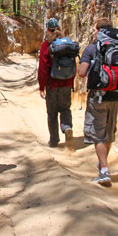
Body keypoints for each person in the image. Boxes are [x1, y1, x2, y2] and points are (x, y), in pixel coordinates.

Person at [77, 18, 118, 187]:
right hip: (117, 96)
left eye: (95, 30)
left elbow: (81, 73)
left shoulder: (92, 48)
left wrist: (82, 64)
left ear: (98, 30)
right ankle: (103, 165)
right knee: (108, 132)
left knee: (98, 133)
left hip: (98, 96)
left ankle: (104, 170)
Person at [37, 18, 75, 147]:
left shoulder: (46, 45)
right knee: (65, 109)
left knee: (52, 112)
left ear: (47, 29)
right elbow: (73, 64)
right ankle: (67, 128)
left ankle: (54, 140)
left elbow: (43, 68)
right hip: (66, 83)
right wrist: (70, 81)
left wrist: (42, 86)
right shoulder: (67, 44)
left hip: (52, 84)